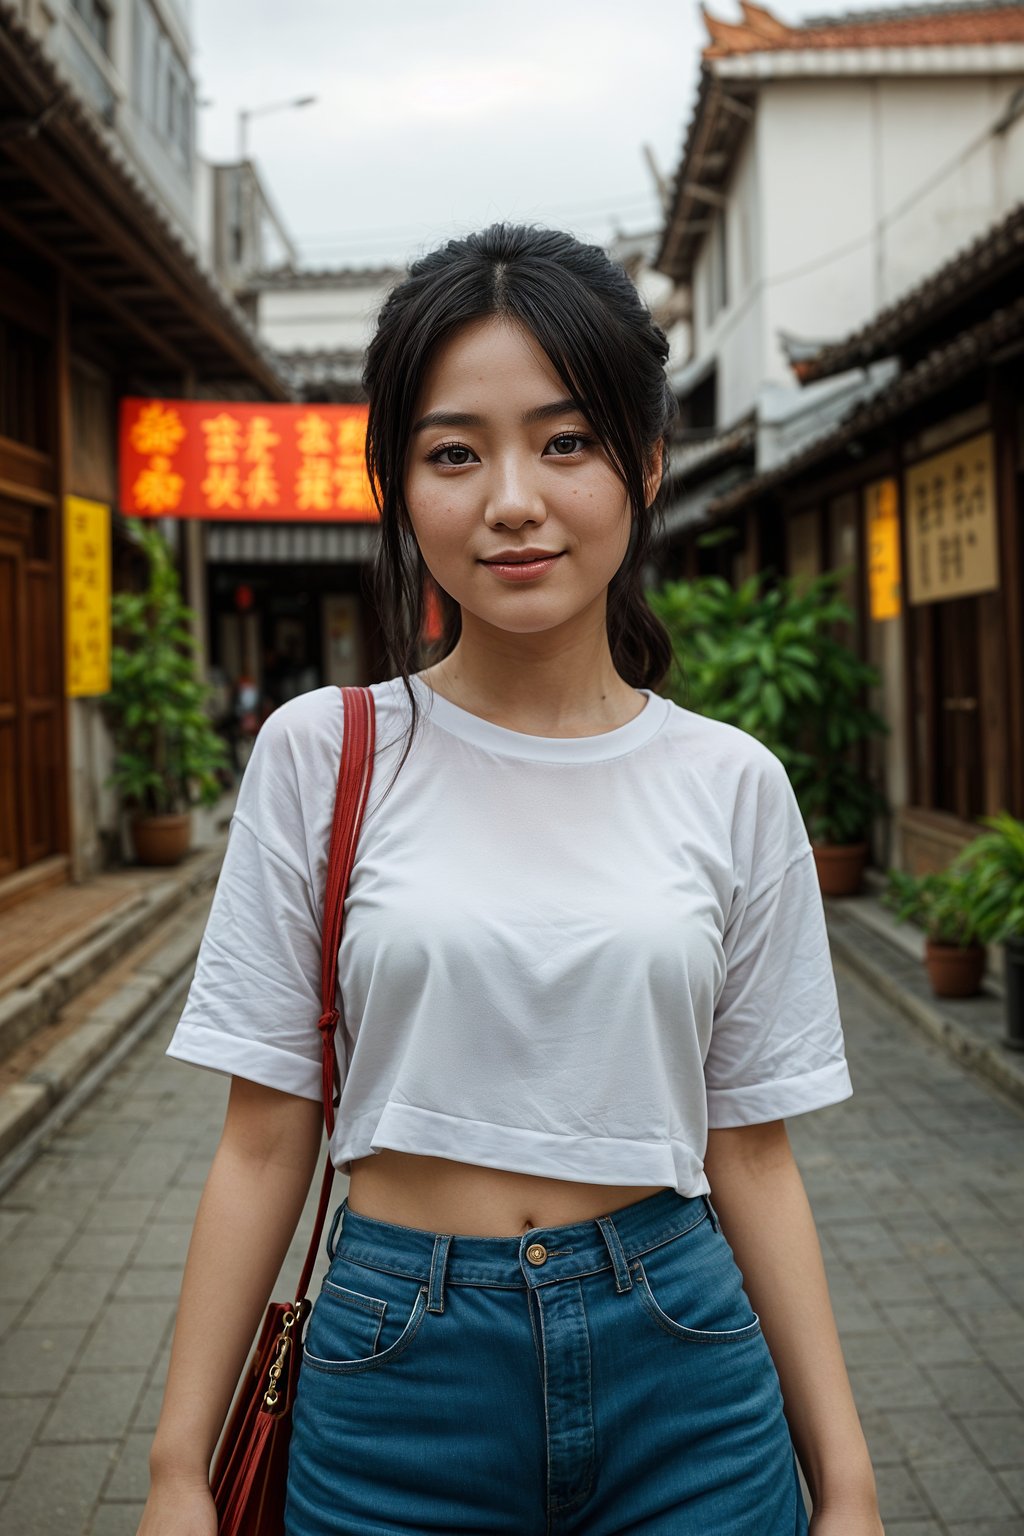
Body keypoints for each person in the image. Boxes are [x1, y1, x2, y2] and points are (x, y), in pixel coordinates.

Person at [138, 223, 885, 1536]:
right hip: (392, 1374)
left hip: (688, 1371)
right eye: (453, 452)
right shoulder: (325, 754)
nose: (513, 499)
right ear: (401, 485)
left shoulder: (731, 782)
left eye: (567, 440)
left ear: (645, 464)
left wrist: (853, 1484)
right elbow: (264, 1137)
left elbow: (753, 1153)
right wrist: (177, 1474)